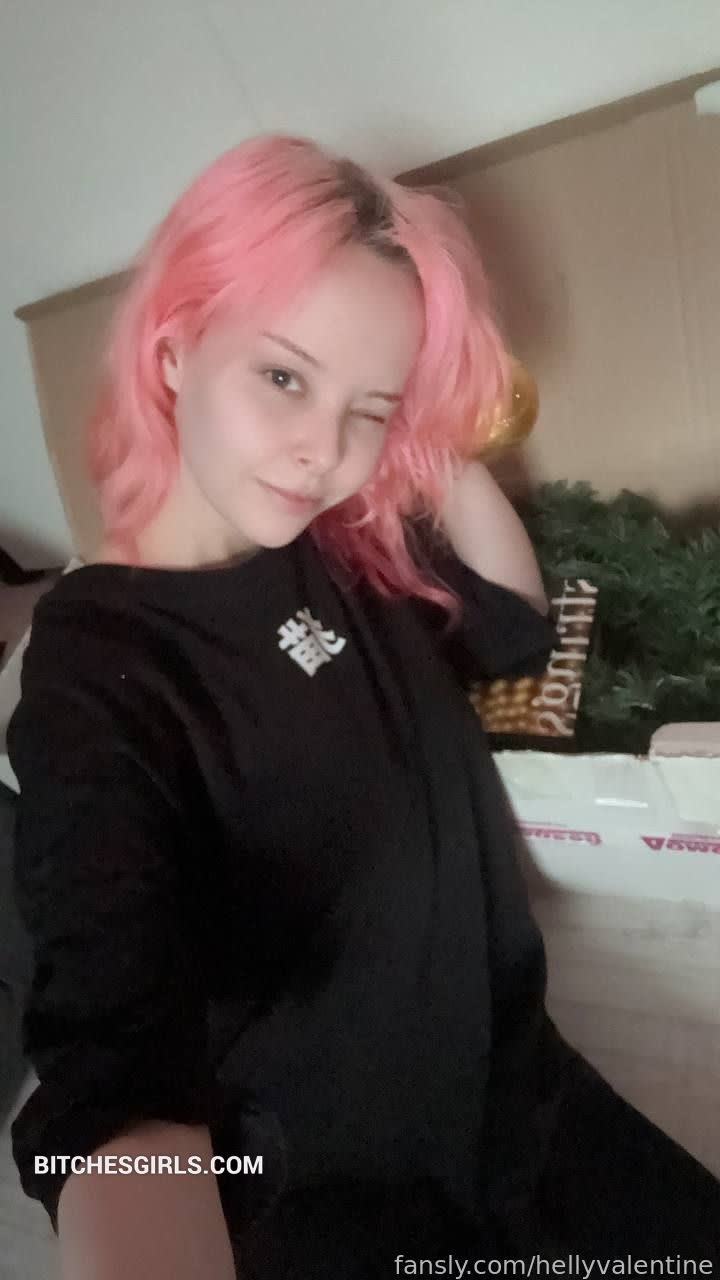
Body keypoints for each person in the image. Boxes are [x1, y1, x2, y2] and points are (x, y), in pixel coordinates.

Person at [8, 135, 720, 1280]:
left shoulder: (340, 549)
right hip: (336, 1200)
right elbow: (115, 1047)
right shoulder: (96, 665)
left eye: (367, 407)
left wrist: (420, 437)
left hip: (527, 1108)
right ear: (175, 347)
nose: (322, 451)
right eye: (285, 378)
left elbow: (513, 620)